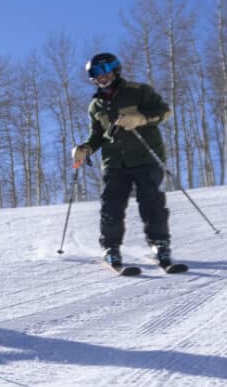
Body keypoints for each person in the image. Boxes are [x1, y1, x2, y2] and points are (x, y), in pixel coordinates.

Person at [71, 52, 178, 270]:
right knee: (111, 205)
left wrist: (140, 119)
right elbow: (97, 136)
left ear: (115, 69)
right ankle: (110, 247)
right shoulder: (96, 106)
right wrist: (85, 149)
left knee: (151, 202)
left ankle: (159, 243)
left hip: (145, 157)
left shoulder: (138, 91)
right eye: (94, 74)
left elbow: (164, 111)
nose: (99, 77)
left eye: (103, 71)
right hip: (114, 162)